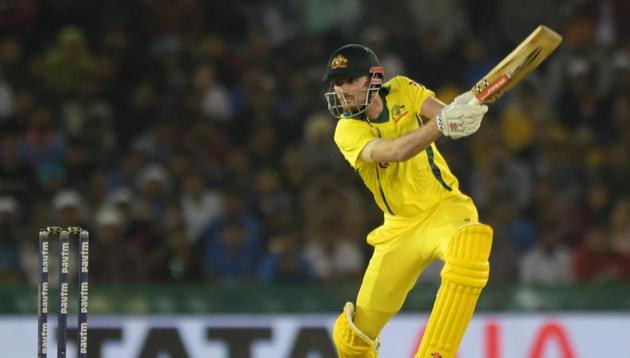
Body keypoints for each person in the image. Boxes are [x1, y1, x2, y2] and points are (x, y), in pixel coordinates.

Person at [323, 44, 493, 358]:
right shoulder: (346, 130)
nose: (340, 89)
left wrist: (460, 114)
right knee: (351, 339)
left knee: (470, 247)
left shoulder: (401, 88)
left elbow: (441, 114)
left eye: (348, 80)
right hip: (399, 229)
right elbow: (395, 152)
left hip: (444, 207)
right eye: (336, 82)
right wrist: (441, 126)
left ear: (373, 79)